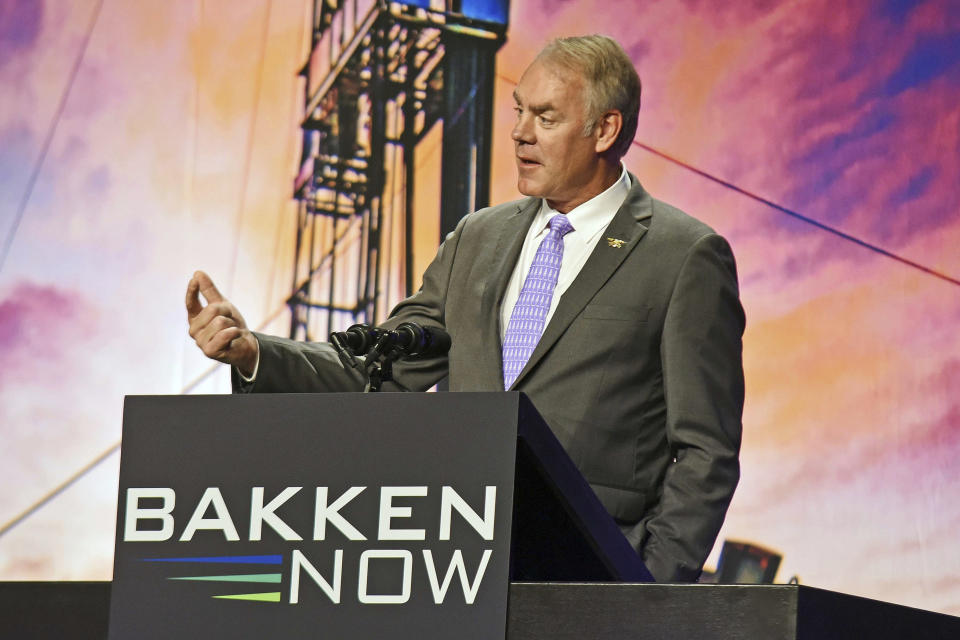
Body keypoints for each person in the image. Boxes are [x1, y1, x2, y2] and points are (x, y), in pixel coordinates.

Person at [186, 35, 744, 583]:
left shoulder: (683, 255)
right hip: (454, 565)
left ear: (606, 129)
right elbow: (383, 367)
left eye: (545, 118)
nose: (520, 134)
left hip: (589, 579)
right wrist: (254, 351)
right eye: (519, 111)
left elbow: (705, 451)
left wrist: (646, 588)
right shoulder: (478, 236)